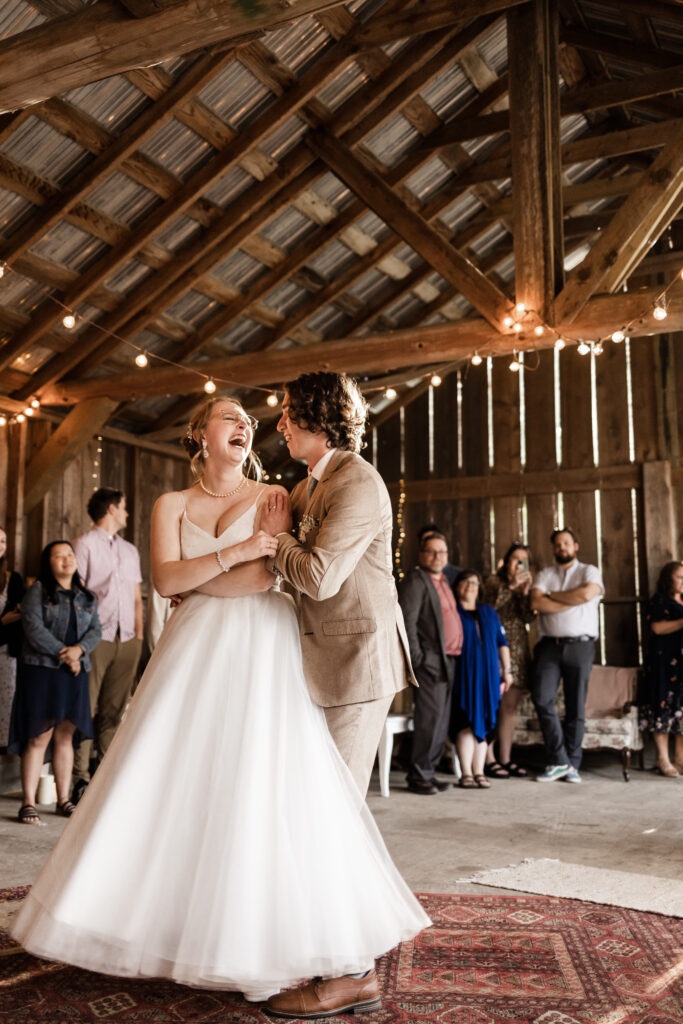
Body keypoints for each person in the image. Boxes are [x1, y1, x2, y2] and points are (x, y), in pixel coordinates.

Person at [11, 395, 429, 1010]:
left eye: (247, 422)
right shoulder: (170, 504)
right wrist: (231, 555)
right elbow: (164, 580)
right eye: (229, 416)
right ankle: (172, 925)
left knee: (261, 787)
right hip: (193, 651)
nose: (245, 425)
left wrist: (200, 573)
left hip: (264, 647)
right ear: (199, 434)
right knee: (176, 782)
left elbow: (264, 580)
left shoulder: (274, 498)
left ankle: (280, 943)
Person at [257, 371, 420, 1017]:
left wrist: (277, 539)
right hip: (312, 661)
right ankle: (315, 949)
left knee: (332, 816)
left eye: (289, 413)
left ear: (320, 417)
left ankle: (352, 972)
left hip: (356, 665)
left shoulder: (358, 484)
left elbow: (318, 578)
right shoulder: (305, 486)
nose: (280, 425)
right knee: (306, 810)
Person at [9, 541, 100, 824]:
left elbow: (96, 629)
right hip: (43, 670)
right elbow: (33, 628)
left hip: (74, 671)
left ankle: (64, 800)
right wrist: (66, 654)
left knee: (65, 736)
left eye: (69, 554)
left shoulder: (86, 595)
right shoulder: (37, 591)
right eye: (58, 556)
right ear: (48, 563)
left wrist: (79, 651)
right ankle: (28, 802)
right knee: (39, 736)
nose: (66, 559)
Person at [71, 487, 143, 801]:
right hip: (95, 637)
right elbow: (77, 596)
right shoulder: (83, 545)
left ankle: (105, 779)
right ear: (112, 509)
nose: (127, 513)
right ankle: (78, 779)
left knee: (115, 711)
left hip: (128, 639)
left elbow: (136, 597)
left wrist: (139, 636)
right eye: (124, 507)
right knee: (85, 709)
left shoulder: (130, 551)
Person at [530, 528, 604, 784]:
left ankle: (572, 764)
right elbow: (537, 603)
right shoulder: (545, 574)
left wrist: (551, 596)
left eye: (566, 543)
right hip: (549, 647)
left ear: (576, 546)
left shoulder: (589, 571)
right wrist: (568, 599)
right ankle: (559, 760)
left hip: (580, 646)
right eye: (558, 544)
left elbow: (586, 594)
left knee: (575, 706)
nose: (562, 547)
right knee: (541, 699)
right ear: (554, 549)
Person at [398, 532, 461, 794]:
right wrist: (419, 660)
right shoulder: (416, 580)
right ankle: (419, 776)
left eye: (442, 552)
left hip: (449, 660)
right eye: (432, 551)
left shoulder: (444, 581)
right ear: (422, 554)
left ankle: (428, 772)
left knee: (440, 722)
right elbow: (407, 623)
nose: (438, 557)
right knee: (428, 721)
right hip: (430, 662)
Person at [450, 570, 511, 789]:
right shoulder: (453, 611)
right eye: (466, 582)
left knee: (485, 724)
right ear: (457, 586)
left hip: (488, 677)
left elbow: (501, 642)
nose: (471, 586)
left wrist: (508, 670)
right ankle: (466, 773)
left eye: (475, 582)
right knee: (465, 722)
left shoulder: (489, 612)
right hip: (464, 675)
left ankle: (479, 772)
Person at [483, 543, 535, 778]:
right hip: (493, 648)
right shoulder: (494, 582)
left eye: (524, 560)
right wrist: (511, 587)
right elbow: (488, 609)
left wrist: (524, 593)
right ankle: (487, 758)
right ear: (507, 561)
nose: (519, 563)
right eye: (516, 559)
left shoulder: (525, 585)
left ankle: (505, 759)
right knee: (490, 704)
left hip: (518, 650)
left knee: (509, 708)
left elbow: (528, 617)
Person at [640, 560, 683, 777]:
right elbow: (657, 627)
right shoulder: (659, 601)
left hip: (681, 663)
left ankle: (680, 757)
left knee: (681, 709)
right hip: (663, 663)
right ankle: (662, 758)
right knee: (662, 706)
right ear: (669, 579)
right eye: (680, 577)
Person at [0, 526, 24, 752]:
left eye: (3, 541)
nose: (0, 546)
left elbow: (17, 617)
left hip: (7, 653)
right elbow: (6, 619)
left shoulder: (12, 578)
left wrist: (6, 622)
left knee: (5, 708)